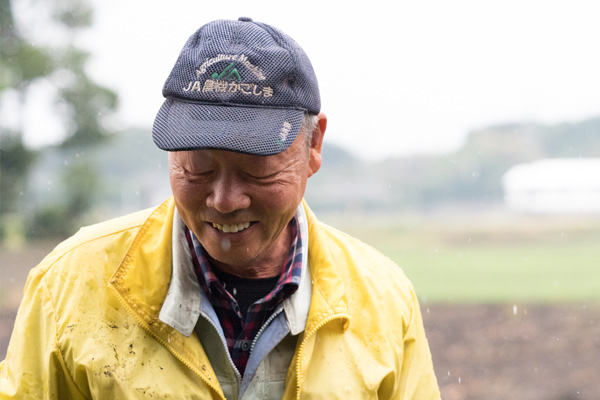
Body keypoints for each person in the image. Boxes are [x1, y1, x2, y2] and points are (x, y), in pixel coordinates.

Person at [0, 17, 440, 399]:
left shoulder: (382, 300)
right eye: (198, 167)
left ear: (313, 146)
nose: (225, 200)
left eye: (256, 170)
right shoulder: (71, 285)